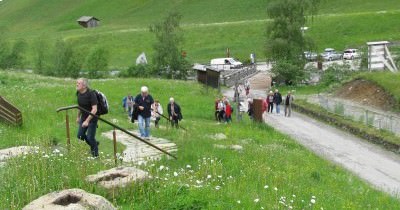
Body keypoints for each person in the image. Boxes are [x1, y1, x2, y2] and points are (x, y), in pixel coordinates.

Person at [76, 78, 99, 157]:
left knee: (90, 138)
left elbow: (94, 109)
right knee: (80, 135)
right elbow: (80, 106)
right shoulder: (78, 93)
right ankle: (95, 144)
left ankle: (95, 156)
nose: (77, 84)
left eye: (78, 83)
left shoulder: (91, 94)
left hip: (92, 118)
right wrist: (78, 117)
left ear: (84, 85)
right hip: (83, 117)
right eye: (77, 83)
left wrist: (87, 121)